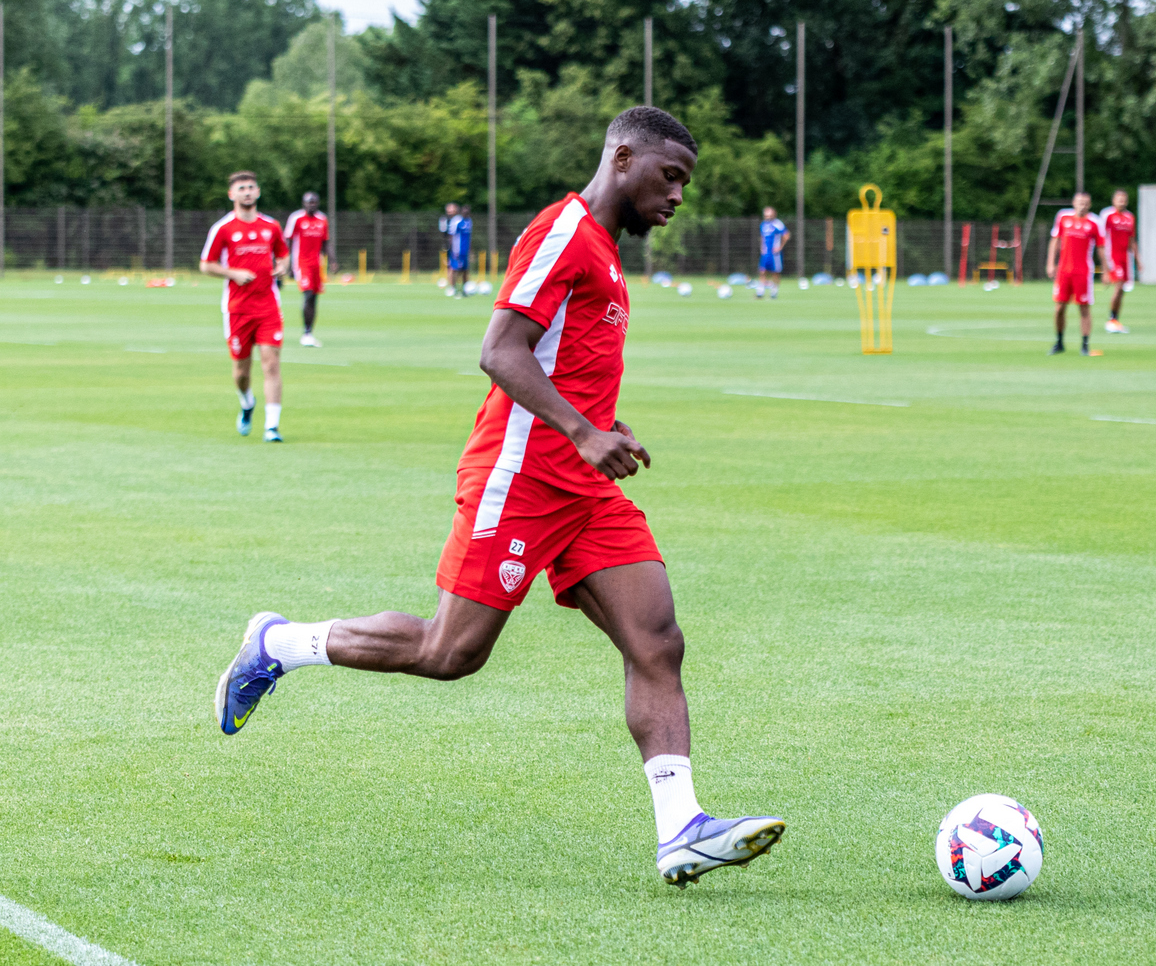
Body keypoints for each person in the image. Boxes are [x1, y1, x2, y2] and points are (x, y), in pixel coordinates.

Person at [214, 106, 785, 886]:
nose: (679, 195)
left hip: (585, 487)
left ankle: (680, 826)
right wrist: (581, 431)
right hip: (520, 477)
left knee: (657, 639)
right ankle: (279, 644)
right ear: (623, 157)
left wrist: (599, 427)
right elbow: (499, 350)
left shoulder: (607, 249)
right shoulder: (565, 231)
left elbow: (565, 357)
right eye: (671, 176)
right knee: (450, 652)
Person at [199, 171, 289, 441]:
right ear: (232, 194)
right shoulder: (223, 228)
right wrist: (233, 273)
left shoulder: (271, 226)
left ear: (258, 191)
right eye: (241, 188)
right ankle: (247, 402)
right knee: (241, 371)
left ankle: (271, 427)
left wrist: (282, 266)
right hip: (237, 309)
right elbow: (206, 265)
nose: (247, 192)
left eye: (251, 187)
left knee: (271, 364)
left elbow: (283, 255)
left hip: (268, 306)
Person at [1045, 192, 1104, 356]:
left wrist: (1106, 270)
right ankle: (1059, 342)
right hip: (1064, 271)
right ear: (1074, 203)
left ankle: (1085, 345)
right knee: (1059, 308)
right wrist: (1050, 263)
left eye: (1085, 203)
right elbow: (1055, 240)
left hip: (1083, 272)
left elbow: (1100, 247)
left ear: (1089, 205)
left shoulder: (1095, 222)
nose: (1082, 206)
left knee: (1083, 308)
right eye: (1079, 202)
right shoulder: (1063, 217)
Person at [284, 191, 331, 347]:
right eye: (309, 202)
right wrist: (287, 263)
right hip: (301, 262)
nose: (312, 205)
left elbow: (325, 242)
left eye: (314, 202)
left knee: (314, 298)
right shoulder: (296, 218)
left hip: (317, 264)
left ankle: (309, 332)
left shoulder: (322, 219)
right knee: (308, 294)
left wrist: (332, 260)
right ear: (304, 203)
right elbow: (288, 241)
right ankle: (306, 333)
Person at [1097, 189, 1141, 333]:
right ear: (1113, 200)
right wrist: (1104, 266)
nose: (1121, 202)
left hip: (1125, 258)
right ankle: (1111, 320)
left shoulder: (1129, 217)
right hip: (1112, 256)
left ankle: (1115, 320)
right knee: (1119, 285)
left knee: (1122, 289)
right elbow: (1100, 236)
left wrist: (1138, 260)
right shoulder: (1107, 215)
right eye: (1119, 199)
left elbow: (1132, 240)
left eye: (1124, 199)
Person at [439, 202, 473, 297]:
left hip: (465, 251)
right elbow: (451, 236)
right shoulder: (456, 221)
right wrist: (452, 249)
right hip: (456, 250)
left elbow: (469, 237)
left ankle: (465, 289)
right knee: (453, 269)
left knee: (465, 270)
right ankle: (452, 288)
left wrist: (470, 250)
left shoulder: (469, 221)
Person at [756, 206, 789, 299]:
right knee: (762, 271)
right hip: (765, 253)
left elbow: (786, 235)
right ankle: (760, 292)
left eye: (770, 215)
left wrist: (780, 247)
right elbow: (762, 237)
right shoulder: (763, 225)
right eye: (766, 215)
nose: (768, 217)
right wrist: (762, 247)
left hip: (775, 254)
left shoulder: (778, 224)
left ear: (774, 214)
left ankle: (774, 291)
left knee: (775, 273)